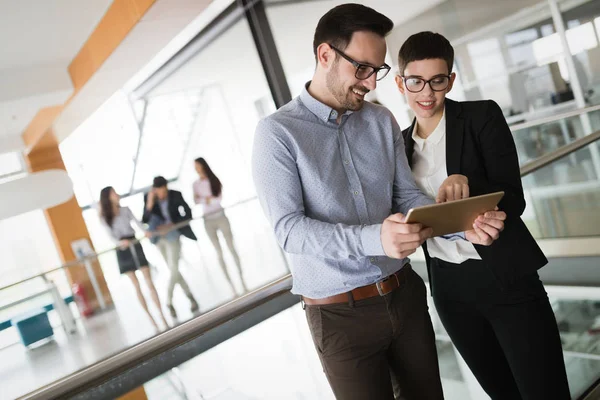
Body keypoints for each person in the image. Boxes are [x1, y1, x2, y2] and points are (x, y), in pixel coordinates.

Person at [251, 4, 506, 399]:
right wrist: (376, 239)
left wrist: (461, 225)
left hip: (404, 295)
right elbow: (290, 231)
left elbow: (404, 196)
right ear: (325, 55)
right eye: (362, 69)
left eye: (378, 71)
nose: (371, 84)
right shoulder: (277, 134)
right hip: (339, 317)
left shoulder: (380, 120)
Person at [395, 31, 570, 399]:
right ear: (400, 83)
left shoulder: (480, 116)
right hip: (449, 289)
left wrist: (467, 182)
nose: (426, 93)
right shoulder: (397, 146)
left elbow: (514, 197)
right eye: (415, 82)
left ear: (451, 80)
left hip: (504, 277)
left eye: (437, 80)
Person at [98, 186, 168, 330]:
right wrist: (120, 243)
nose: (117, 194)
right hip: (122, 248)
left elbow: (138, 224)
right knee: (136, 285)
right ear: (107, 196)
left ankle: (161, 314)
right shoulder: (104, 216)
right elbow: (110, 236)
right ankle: (151, 318)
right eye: (113, 193)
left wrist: (146, 232)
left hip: (134, 243)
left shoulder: (125, 209)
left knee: (149, 281)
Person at [143, 176, 199, 319]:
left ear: (166, 187)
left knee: (173, 268)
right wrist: (149, 203)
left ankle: (168, 301)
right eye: (158, 192)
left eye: (163, 191)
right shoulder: (149, 198)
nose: (161, 195)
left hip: (173, 235)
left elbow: (187, 213)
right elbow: (144, 220)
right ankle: (191, 298)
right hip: (159, 240)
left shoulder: (175, 194)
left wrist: (173, 225)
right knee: (174, 270)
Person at [193, 157, 247, 294]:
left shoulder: (213, 180)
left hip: (220, 216)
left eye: (198, 166)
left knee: (231, 247)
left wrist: (205, 199)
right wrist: (207, 199)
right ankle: (230, 284)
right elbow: (196, 200)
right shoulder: (195, 184)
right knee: (218, 252)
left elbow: (218, 199)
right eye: (195, 167)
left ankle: (242, 278)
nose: (196, 169)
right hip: (208, 220)